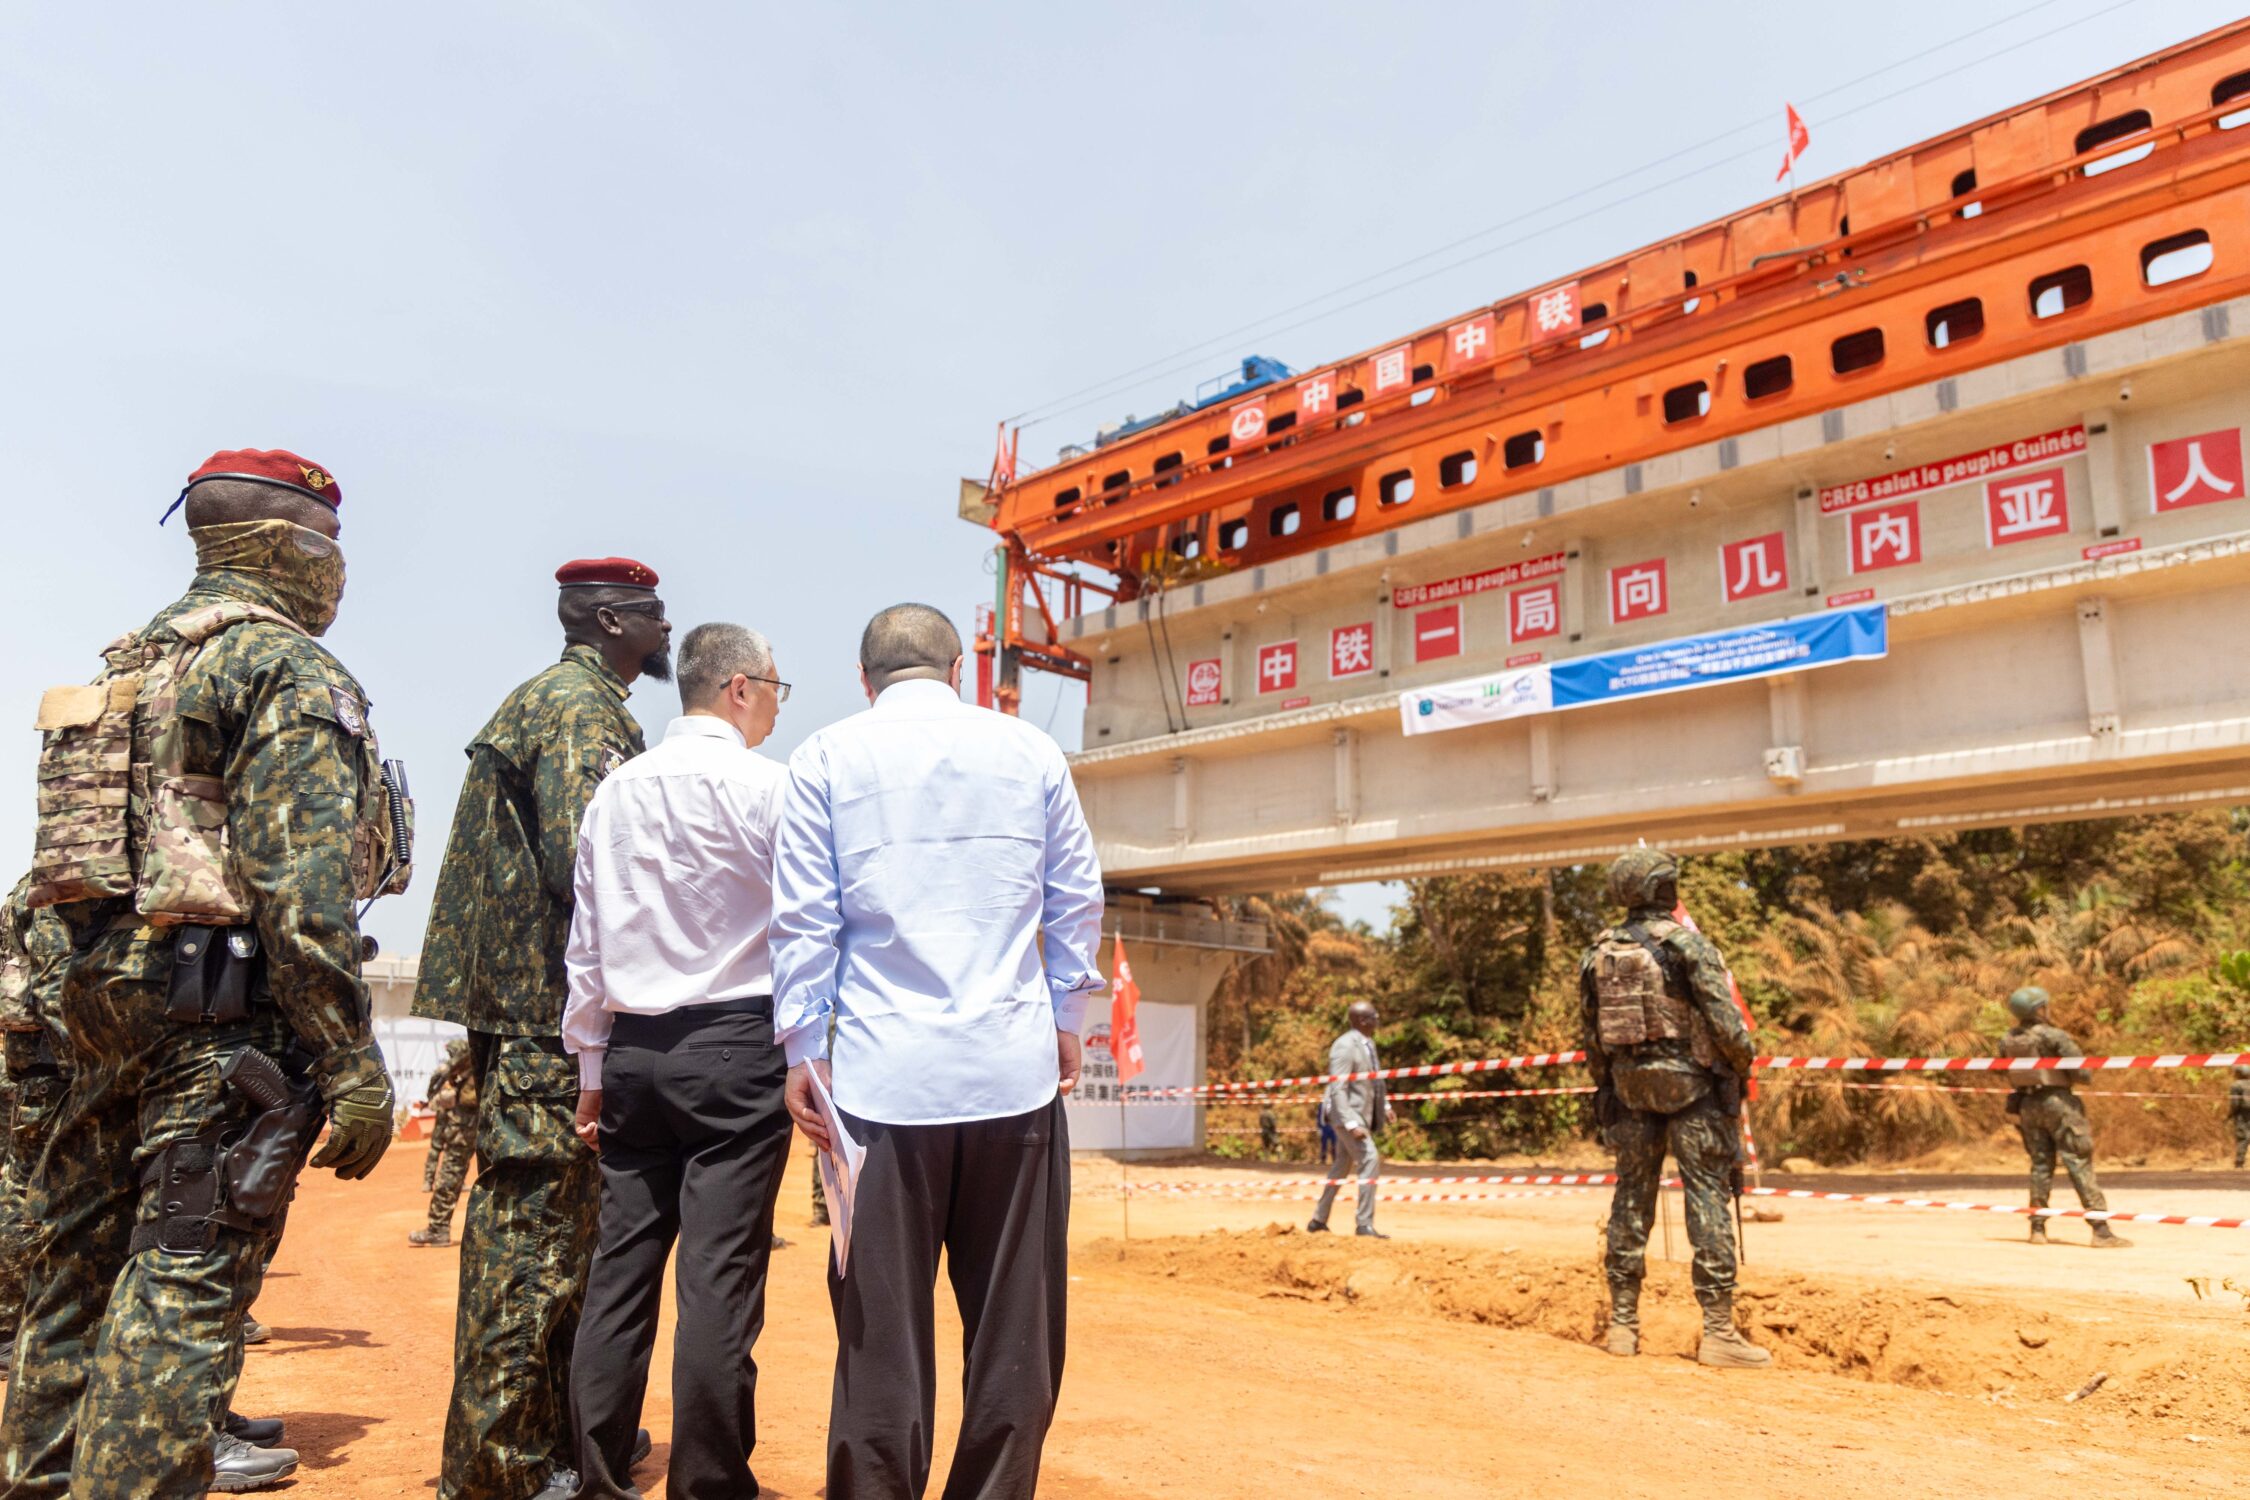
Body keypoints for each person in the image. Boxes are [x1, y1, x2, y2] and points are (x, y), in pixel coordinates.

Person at [0, 451, 405, 1495]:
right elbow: (299, 889)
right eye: (331, 548)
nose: (339, 573)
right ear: (288, 549)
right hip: (216, 1014)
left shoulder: (129, 662)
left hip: (98, 1001)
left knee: (75, 1281)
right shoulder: (284, 668)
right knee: (181, 1279)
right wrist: (350, 1061)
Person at [774, 602, 1104, 1500]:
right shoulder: (1032, 752)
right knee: (1014, 1335)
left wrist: (803, 1046)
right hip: (1013, 1076)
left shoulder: (825, 757)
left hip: (884, 1089)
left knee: (882, 1339)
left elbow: (805, 918)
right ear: (958, 670)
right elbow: (1075, 896)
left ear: (864, 676)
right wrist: (1068, 1014)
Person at [413, 557, 668, 1500]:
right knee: (531, 1245)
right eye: (652, 612)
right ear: (609, 620)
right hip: (542, 1020)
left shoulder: (571, 702)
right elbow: (591, 866)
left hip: (532, 1013)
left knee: (560, 1241)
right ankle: (500, 1472)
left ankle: (556, 1440)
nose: (667, 627)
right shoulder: (580, 711)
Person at [562, 623, 794, 1500]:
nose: (776, 702)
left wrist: (590, 1068)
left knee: (619, 1273)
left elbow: (585, 946)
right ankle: (709, 1483)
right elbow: (807, 933)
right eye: (775, 685)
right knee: (717, 1278)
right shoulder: (772, 787)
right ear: (739, 688)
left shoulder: (614, 792)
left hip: (630, 1053)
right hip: (736, 1047)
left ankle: (599, 1476)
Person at [1581, 849, 1768, 1369]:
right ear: (1664, 888)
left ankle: (1622, 1325)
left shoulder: (1597, 954)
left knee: (1630, 1200)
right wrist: (1740, 1066)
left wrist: (1611, 1088)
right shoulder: (1690, 946)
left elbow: (1593, 1038)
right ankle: (1718, 1331)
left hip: (1629, 1091)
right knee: (1707, 1199)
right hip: (1694, 1091)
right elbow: (1729, 1028)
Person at [1999, 987, 2129, 1248]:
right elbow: (2081, 1072)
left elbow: (1999, 1070)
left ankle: (2037, 1229)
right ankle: (2100, 1230)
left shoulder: (2008, 1039)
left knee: (2040, 1165)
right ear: (2038, 1008)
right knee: (2078, 1160)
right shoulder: (2053, 1035)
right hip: (2059, 1104)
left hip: (2026, 1105)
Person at [1306, 1003, 1388, 1238]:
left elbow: (1374, 1081)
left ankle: (1318, 1220)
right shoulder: (1344, 1046)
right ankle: (1364, 1224)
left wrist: (1386, 1105)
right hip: (1347, 1116)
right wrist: (1351, 1124)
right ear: (1362, 1020)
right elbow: (1337, 1087)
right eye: (1374, 1016)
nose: (1378, 1019)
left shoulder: (1368, 1044)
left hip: (1362, 1113)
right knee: (1369, 1158)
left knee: (1341, 1165)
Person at [412, 1039, 478, 1248]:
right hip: (468, 1130)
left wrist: (449, 1071)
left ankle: (438, 1229)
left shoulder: (469, 1066)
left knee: (448, 1179)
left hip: (462, 1132)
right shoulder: (472, 1071)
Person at [2230, 1064, 2250, 1171]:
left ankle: (2239, 1163)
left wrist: (2232, 1114)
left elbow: (2235, 1103)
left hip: (2242, 1114)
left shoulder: (2236, 1085)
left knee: (2242, 1137)